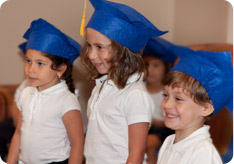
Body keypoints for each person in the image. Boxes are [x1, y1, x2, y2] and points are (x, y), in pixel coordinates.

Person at [80, 0, 168, 163]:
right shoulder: (100, 87)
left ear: (123, 51)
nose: (91, 54)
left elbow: (137, 152)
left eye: (99, 47)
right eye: (89, 46)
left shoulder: (134, 94)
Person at [7, 18, 84, 164]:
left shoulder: (66, 100)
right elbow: (18, 133)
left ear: (60, 69)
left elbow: (77, 143)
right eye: (28, 61)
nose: (31, 69)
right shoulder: (26, 93)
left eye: (40, 63)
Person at [157, 45, 233, 164]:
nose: (167, 105)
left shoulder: (203, 154)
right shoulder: (169, 141)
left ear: (206, 108)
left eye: (178, 98)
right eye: (166, 95)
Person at [142, 37, 176, 164]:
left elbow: (170, 122)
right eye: (146, 65)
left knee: (149, 143)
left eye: (155, 65)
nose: (150, 69)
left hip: (163, 129)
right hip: (143, 126)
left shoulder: (168, 92)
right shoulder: (139, 89)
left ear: (166, 68)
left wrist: (153, 122)